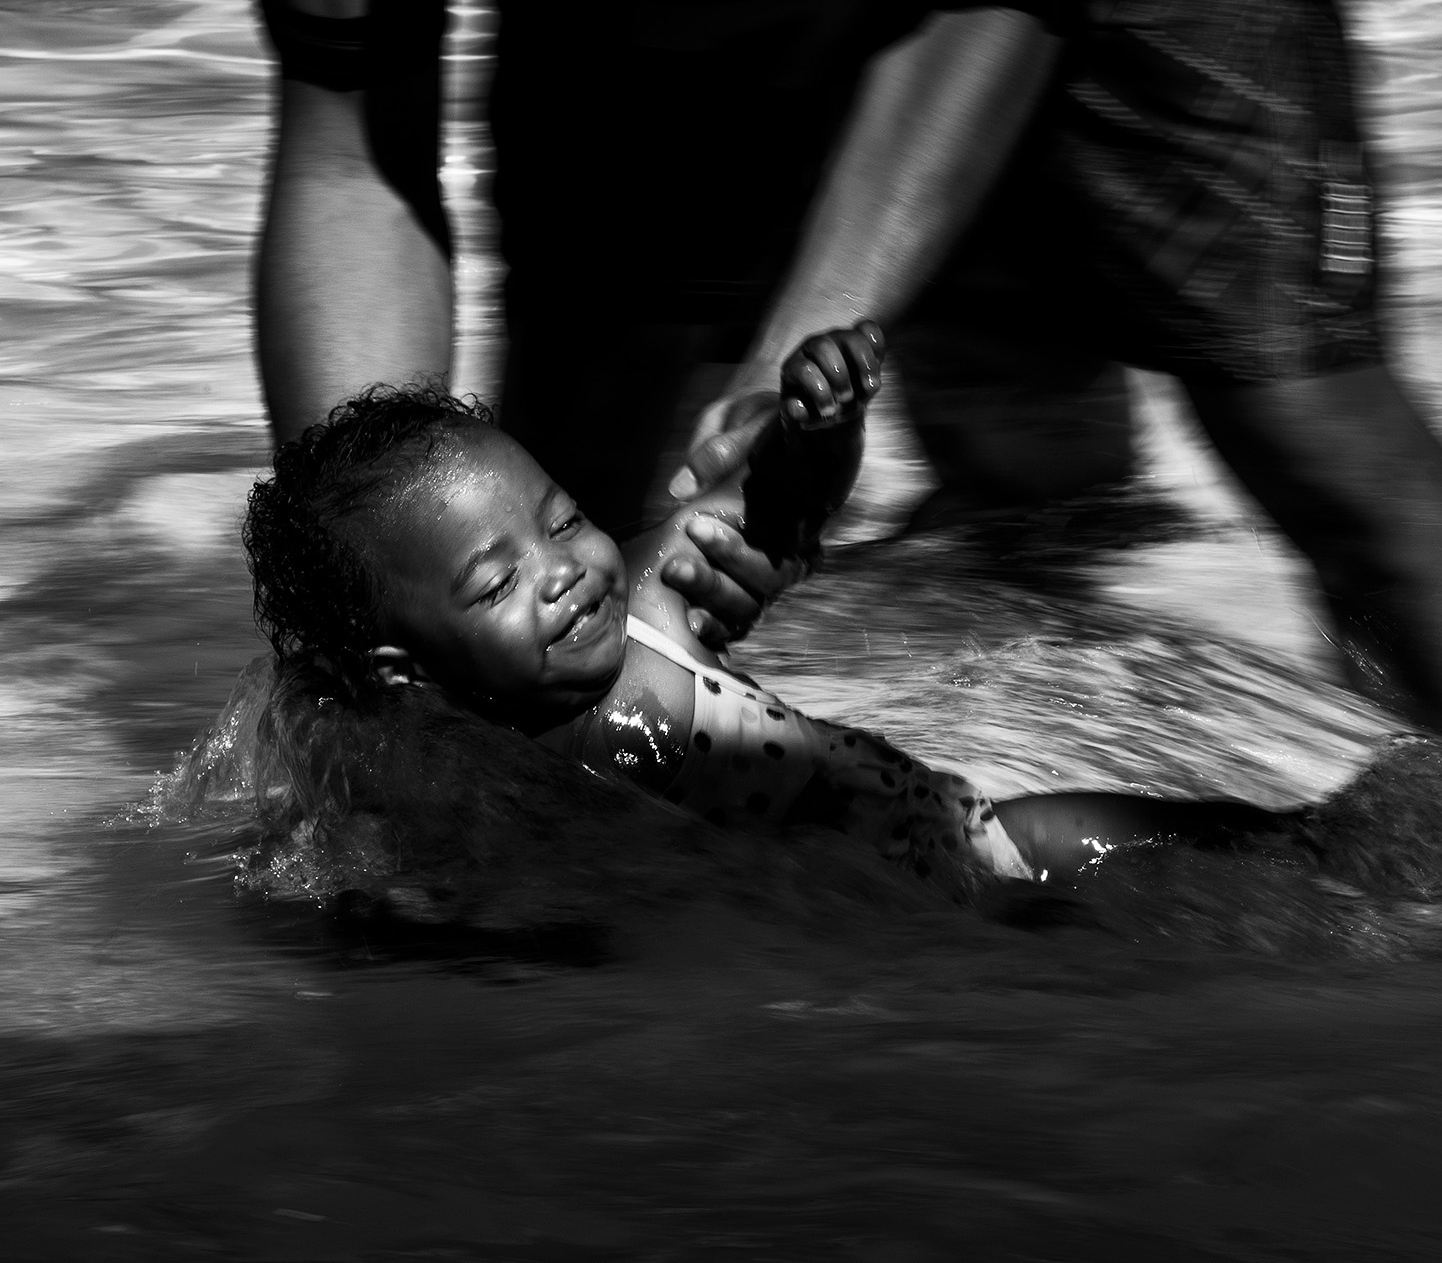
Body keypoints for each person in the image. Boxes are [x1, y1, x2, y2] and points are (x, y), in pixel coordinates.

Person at [250, 0, 1442, 734]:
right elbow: (347, 154)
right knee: (605, 470)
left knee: (1303, 420)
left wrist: (795, 356)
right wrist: (344, 617)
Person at [240, 327, 1289, 892]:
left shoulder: (651, 605)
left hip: (983, 846)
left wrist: (814, 425)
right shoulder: (463, 781)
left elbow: (782, 511)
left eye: (562, 522)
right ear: (403, 670)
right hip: (896, 940)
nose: (562, 571)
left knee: (1254, 862)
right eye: (495, 582)